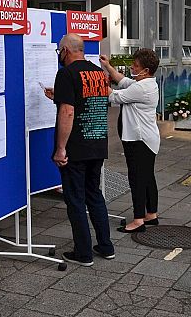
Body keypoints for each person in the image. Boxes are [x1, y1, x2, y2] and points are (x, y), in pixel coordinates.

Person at [44, 33, 115, 266]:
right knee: (94, 195)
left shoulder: (66, 73)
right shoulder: (98, 72)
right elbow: (89, 101)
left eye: (59, 52)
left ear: (65, 50)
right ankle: (106, 246)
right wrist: (60, 96)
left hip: (76, 147)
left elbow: (68, 112)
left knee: (75, 199)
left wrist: (60, 148)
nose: (59, 56)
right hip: (97, 143)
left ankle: (83, 253)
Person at [99, 49, 160, 233]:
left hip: (139, 141)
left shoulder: (141, 88)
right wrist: (108, 66)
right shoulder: (144, 83)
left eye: (136, 66)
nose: (132, 67)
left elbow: (114, 96)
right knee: (147, 177)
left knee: (137, 179)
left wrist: (96, 79)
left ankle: (138, 220)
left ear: (146, 70)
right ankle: (151, 214)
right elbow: (123, 80)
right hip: (147, 139)